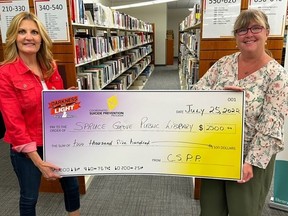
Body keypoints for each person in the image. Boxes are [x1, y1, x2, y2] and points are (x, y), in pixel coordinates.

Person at [191, 9, 288, 216]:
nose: (248, 34)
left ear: (267, 33)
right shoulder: (224, 64)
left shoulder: (277, 75)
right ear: (236, 36)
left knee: (242, 211)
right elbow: (196, 93)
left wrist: (250, 162)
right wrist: (220, 96)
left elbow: (272, 125)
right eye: (241, 30)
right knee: (210, 210)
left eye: (256, 28)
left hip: (250, 158)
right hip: (217, 151)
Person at [0, 12, 80, 216]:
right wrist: (38, 161)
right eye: (22, 32)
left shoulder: (50, 66)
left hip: (57, 140)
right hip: (27, 149)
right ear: (13, 37)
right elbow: (14, 123)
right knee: (29, 197)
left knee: (72, 186)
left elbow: (54, 108)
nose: (29, 37)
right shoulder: (5, 73)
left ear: (41, 37)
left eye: (34, 32)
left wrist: (69, 100)